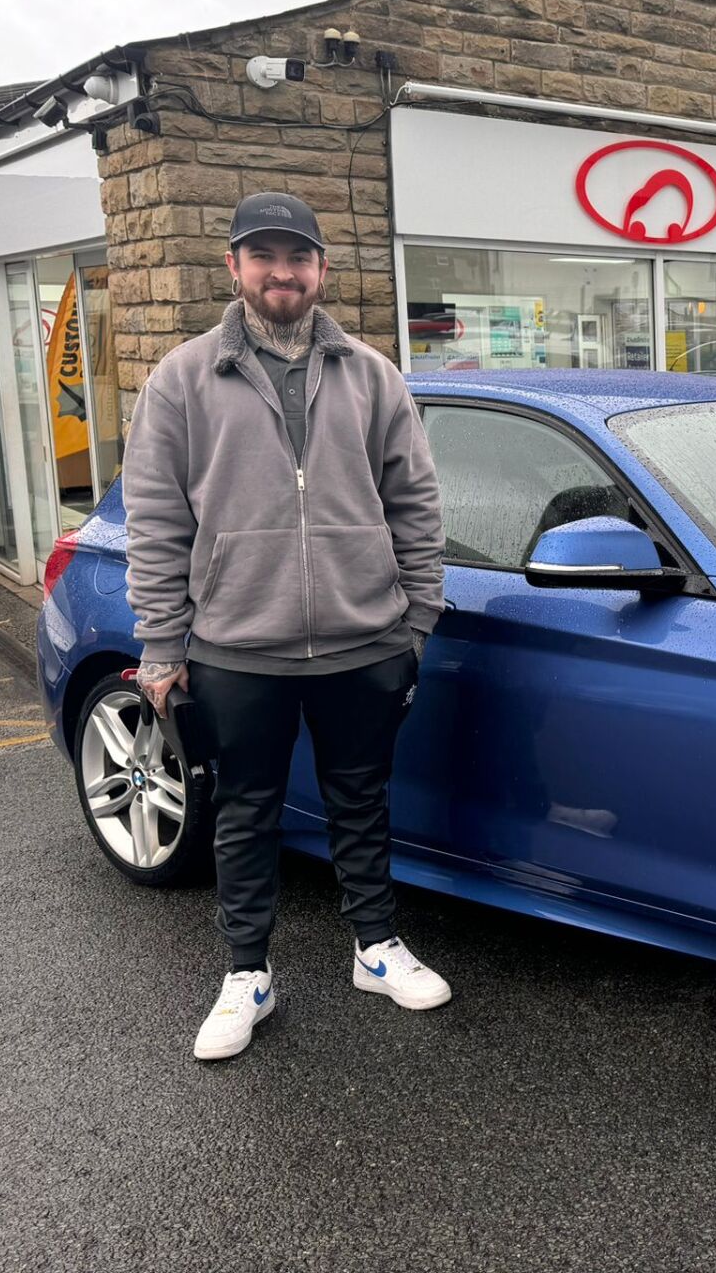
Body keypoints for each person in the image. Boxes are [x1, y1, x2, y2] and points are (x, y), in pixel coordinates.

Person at [121, 191, 450, 1061]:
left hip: (364, 639)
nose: (281, 272)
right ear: (233, 268)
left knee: (360, 800)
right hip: (238, 644)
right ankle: (246, 975)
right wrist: (162, 644)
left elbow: (415, 503)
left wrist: (416, 617)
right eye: (262, 256)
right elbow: (155, 522)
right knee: (244, 809)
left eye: (297, 257)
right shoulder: (183, 379)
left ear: (321, 271)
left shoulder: (373, 375)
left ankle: (375, 948)